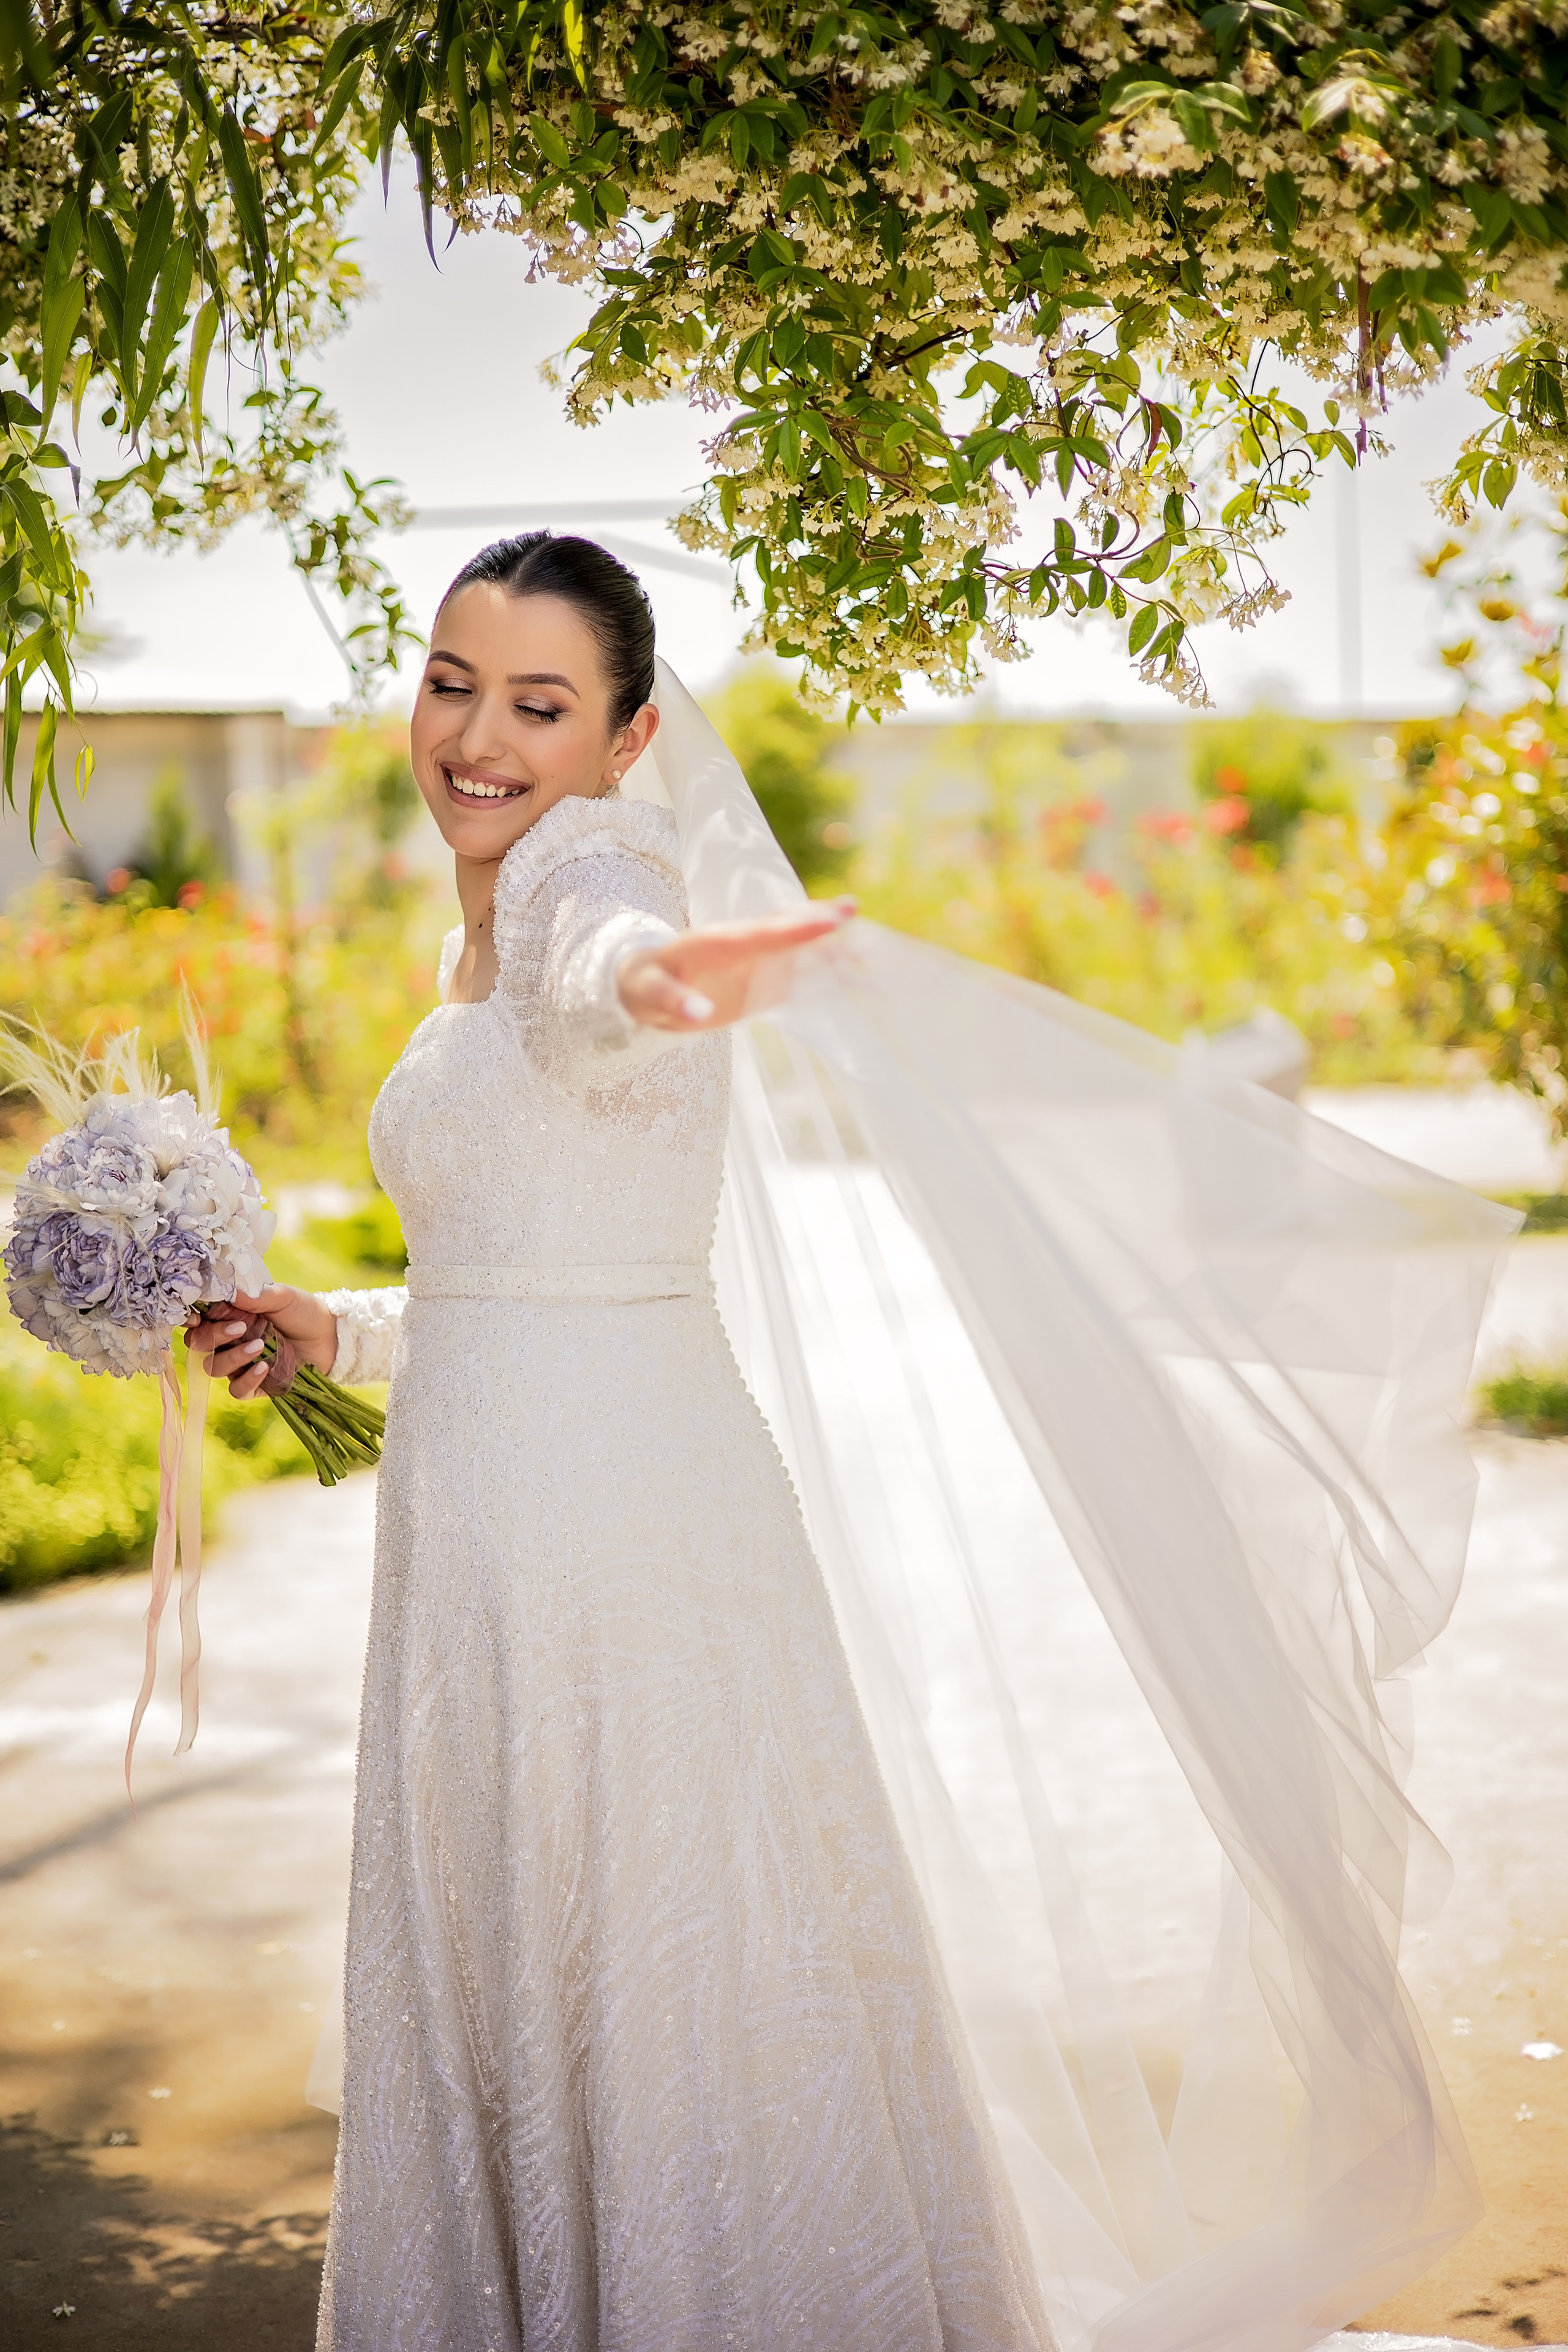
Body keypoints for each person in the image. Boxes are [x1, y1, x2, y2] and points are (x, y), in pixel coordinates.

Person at [190, 534, 1514, 2352]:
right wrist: (340, 1332)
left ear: (629, 736)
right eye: (450, 681)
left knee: (662, 1967)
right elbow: (539, 1281)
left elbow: (617, 979)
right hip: (493, 1538)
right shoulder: (463, 948)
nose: (478, 736)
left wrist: (680, 977)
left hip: (618, 1554)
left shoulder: (601, 875)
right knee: (542, 1962)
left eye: (541, 704)